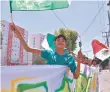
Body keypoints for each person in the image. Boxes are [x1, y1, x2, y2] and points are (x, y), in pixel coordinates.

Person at [11, 23, 80, 79]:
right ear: (54, 43)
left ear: (65, 44)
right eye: (58, 40)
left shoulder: (69, 58)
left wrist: (79, 62)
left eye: (63, 40)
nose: (60, 41)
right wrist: (17, 33)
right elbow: (28, 49)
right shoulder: (48, 53)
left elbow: (76, 76)